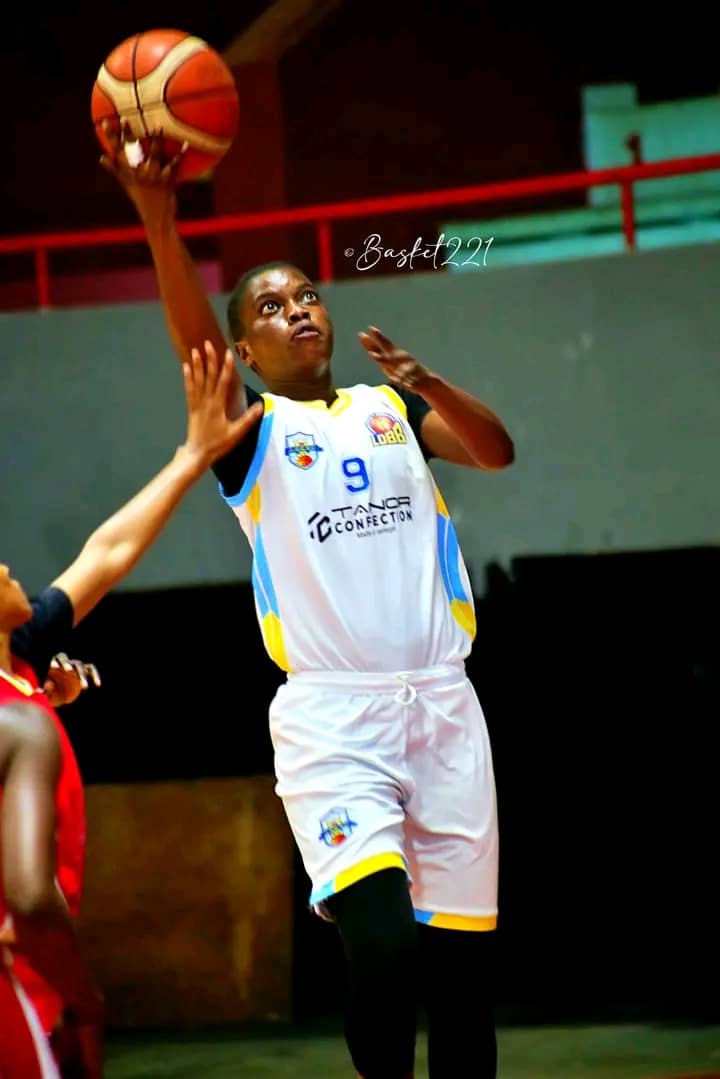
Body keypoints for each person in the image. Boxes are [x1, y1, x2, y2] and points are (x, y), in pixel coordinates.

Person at [102, 125, 515, 1079]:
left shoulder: (390, 408)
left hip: (445, 709)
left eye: (307, 296)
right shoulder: (252, 436)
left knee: (461, 983)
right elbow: (193, 345)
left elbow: (497, 452)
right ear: (244, 350)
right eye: (271, 307)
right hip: (335, 722)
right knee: (386, 951)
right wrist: (160, 221)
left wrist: (426, 380)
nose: (297, 311)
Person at [1, 345, 262, 1077]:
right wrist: (84, 994)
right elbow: (29, 893)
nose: (7, 566)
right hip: (24, 973)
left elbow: (107, 551)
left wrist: (193, 456)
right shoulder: (17, 713)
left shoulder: (26, 660)